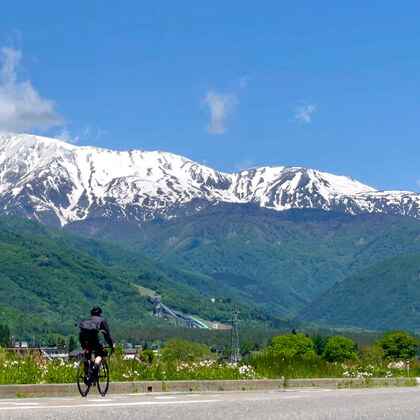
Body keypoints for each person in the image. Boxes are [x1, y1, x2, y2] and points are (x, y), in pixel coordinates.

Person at [79, 307, 114, 382]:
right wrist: (111, 345)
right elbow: (106, 335)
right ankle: (95, 367)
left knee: (87, 352)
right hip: (92, 336)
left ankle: (86, 372)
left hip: (82, 336)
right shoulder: (101, 320)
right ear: (100, 314)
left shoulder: (87, 319)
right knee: (99, 353)